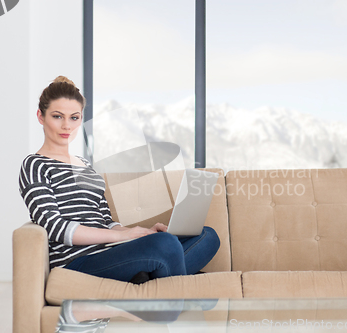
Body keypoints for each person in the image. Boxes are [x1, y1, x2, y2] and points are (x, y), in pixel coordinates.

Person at [19, 76, 220, 284]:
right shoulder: (35, 164)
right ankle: (165, 282)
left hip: (113, 253)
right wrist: (122, 237)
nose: (67, 126)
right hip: (78, 262)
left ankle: (150, 276)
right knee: (166, 245)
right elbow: (56, 227)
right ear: (41, 117)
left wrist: (141, 233)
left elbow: (106, 221)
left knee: (207, 236)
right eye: (57, 116)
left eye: (74, 117)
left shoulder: (85, 165)